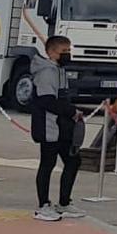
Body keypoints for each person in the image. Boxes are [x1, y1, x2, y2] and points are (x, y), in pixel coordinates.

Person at [29, 36, 85, 222]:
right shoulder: (46, 73)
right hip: (49, 126)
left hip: (63, 126)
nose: (68, 54)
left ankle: (64, 202)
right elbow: (47, 101)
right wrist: (72, 111)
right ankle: (43, 205)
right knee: (47, 164)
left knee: (73, 161)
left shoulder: (59, 70)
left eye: (69, 50)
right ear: (51, 52)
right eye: (64, 51)